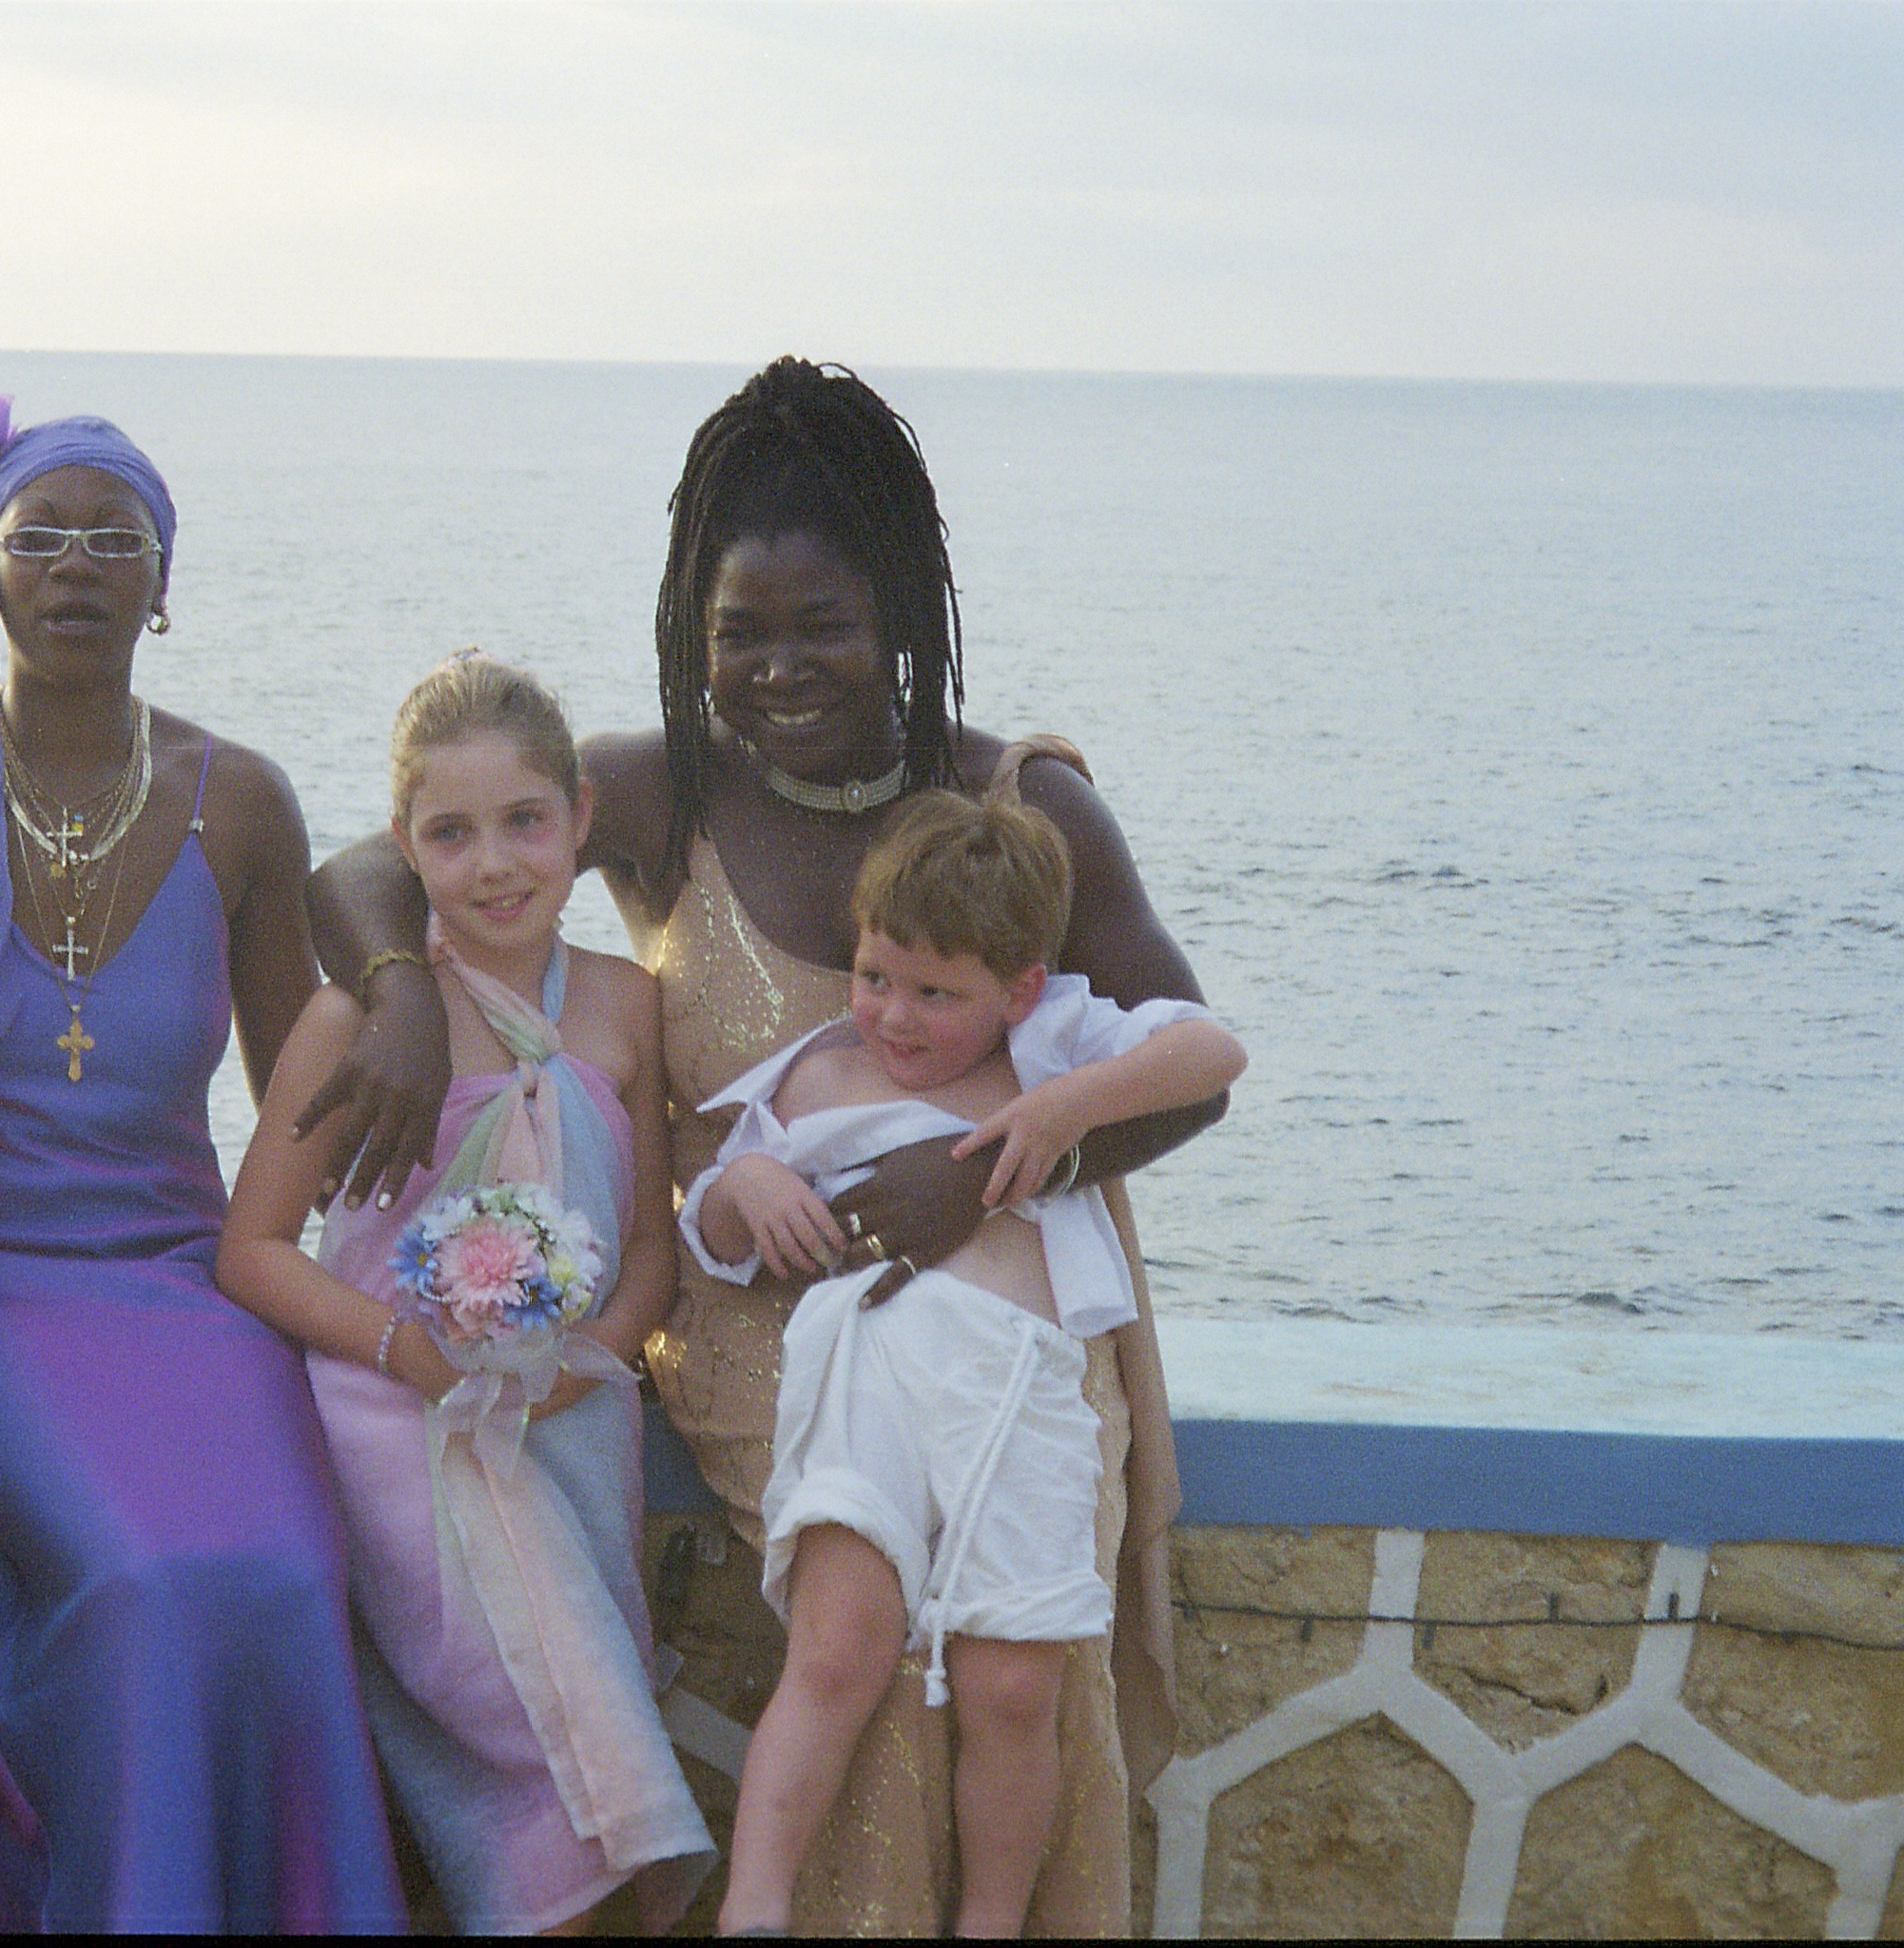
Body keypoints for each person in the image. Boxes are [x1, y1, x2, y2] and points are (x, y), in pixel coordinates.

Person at [306, 356, 1227, 1934]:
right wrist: (396, 990)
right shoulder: (665, 790)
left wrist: (988, 1173)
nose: (782, 668)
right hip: (760, 1326)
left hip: (1009, 1313)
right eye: (741, 633)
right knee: (864, 1658)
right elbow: (376, 863)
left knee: (1021, 1670)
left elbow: (1189, 1067)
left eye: (824, 625)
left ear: (900, 617)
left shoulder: (1016, 806)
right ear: (693, 632)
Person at [0, 407, 407, 1931]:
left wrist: (437, 1074)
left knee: (289, 1575)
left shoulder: (240, 802)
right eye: (41, 538)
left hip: (183, 1284)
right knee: (140, 1578)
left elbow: (304, 1094)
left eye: (114, 540)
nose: (76, 567)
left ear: (164, 580)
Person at [686, 793, 1244, 1934]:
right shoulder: (817, 1073)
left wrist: (1065, 1109)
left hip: (1020, 1388)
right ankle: (756, 1905)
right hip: (867, 1376)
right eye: (873, 976)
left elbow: (1212, 1052)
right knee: (837, 1648)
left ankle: (989, 1920)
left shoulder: (1053, 1045)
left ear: (1019, 990)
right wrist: (748, 1184)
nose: (894, 1015)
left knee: (1014, 1681)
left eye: (936, 993)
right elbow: (711, 1227)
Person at [220, 655, 715, 1934]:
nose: (495, 864)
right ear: (405, 845)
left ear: (580, 819)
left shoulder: (627, 1002)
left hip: (572, 1420)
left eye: (525, 821)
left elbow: (649, 1245)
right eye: (451, 833)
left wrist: (593, 1358)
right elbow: (254, 1249)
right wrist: (410, 1352)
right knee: (550, 1751)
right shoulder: (359, 1020)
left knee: (587, 1746)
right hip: (405, 1424)